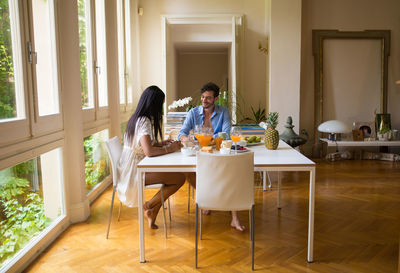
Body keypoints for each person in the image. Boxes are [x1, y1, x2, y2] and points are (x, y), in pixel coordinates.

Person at [178, 82, 246, 232]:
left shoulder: (223, 112)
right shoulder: (193, 113)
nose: (204, 100)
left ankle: (235, 218)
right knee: (189, 173)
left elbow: (227, 134)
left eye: (208, 98)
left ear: (216, 99)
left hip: (219, 153)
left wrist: (206, 138)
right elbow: (182, 132)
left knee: (231, 175)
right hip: (199, 153)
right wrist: (185, 138)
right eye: (203, 97)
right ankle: (207, 199)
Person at [117, 86, 185, 229]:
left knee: (175, 177)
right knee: (179, 178)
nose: (161, 108)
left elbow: (143, 145)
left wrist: (160, 144)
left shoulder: (137, 118)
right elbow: (148, 151)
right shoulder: (144, 121)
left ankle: (153, 210)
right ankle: (149, 205)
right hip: (133, 173)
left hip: (131, 168)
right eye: (160, 104)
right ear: (153, 103)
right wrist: (170, 148)